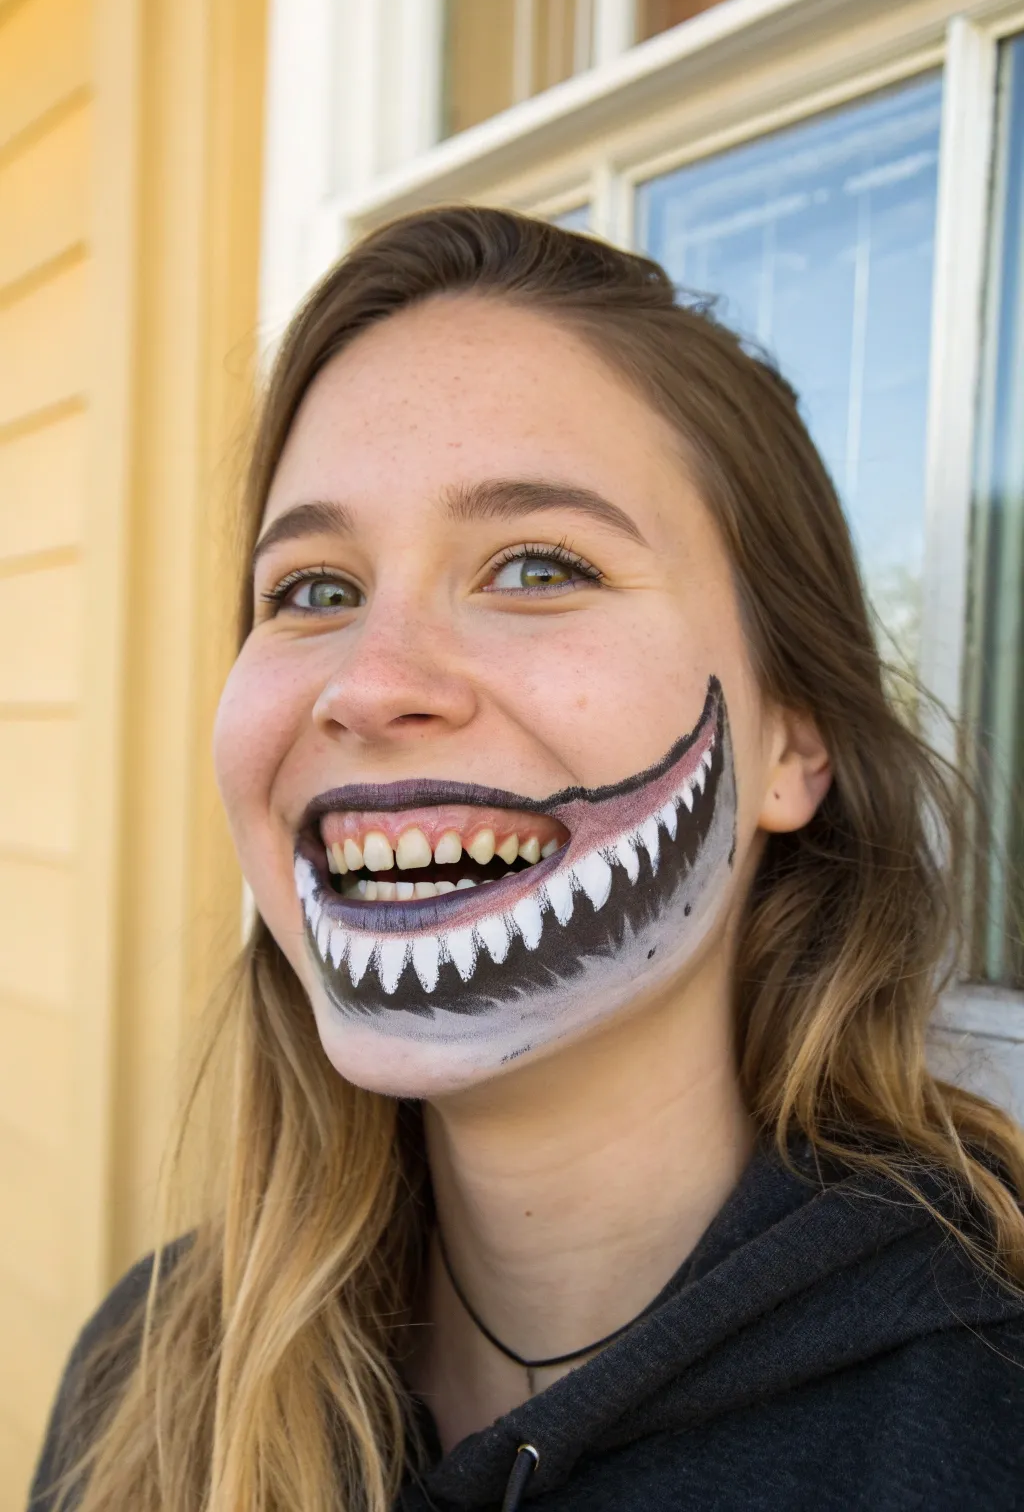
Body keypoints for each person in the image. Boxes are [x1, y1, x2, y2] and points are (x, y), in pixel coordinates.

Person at [29, 207, 1024, 1512]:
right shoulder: (147, 1377)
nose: (370, 686)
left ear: (795, 740)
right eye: (314, 590)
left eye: (539, 565)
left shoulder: (984, 1415)